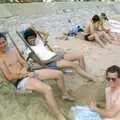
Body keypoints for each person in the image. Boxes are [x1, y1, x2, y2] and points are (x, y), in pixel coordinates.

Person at [0, 32, 75, 120]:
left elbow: (24, 63)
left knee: (59, 74)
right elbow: (9, 77)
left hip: (29, 73)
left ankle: (64, 94)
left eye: (3, 42)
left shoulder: (13, 51)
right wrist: (23, 74)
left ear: (6, 41)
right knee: (47, 89)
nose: (2, 45)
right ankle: (59, 116)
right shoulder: (1, 59)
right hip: (20, 81)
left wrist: (25, 69)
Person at [23, 28, 95, 82]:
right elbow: (41, 62)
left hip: (56, 55)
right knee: (74, 65)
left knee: (80, 55)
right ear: (26, 39)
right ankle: (90, 78)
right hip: (51, 61)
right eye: (29, 38)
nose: (32, 39)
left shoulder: (38, 41)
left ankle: (84, 74)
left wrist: (36, 30)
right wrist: (54, 59)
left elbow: (47, 33)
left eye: (33, 37)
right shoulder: (29, 50)